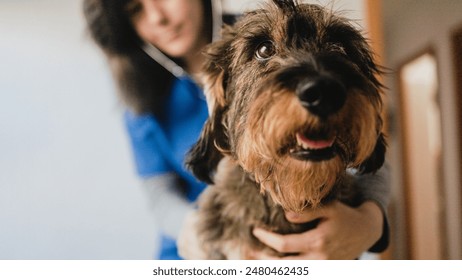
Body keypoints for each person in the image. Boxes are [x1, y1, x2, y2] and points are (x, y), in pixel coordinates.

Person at [83, 0, 390, 260]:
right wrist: (198, 232)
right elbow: (159, 193)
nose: (158, 17)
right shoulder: (141, 97)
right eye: (136, 9)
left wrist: (371, 223)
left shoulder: (261, 28)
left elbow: (361, 138)